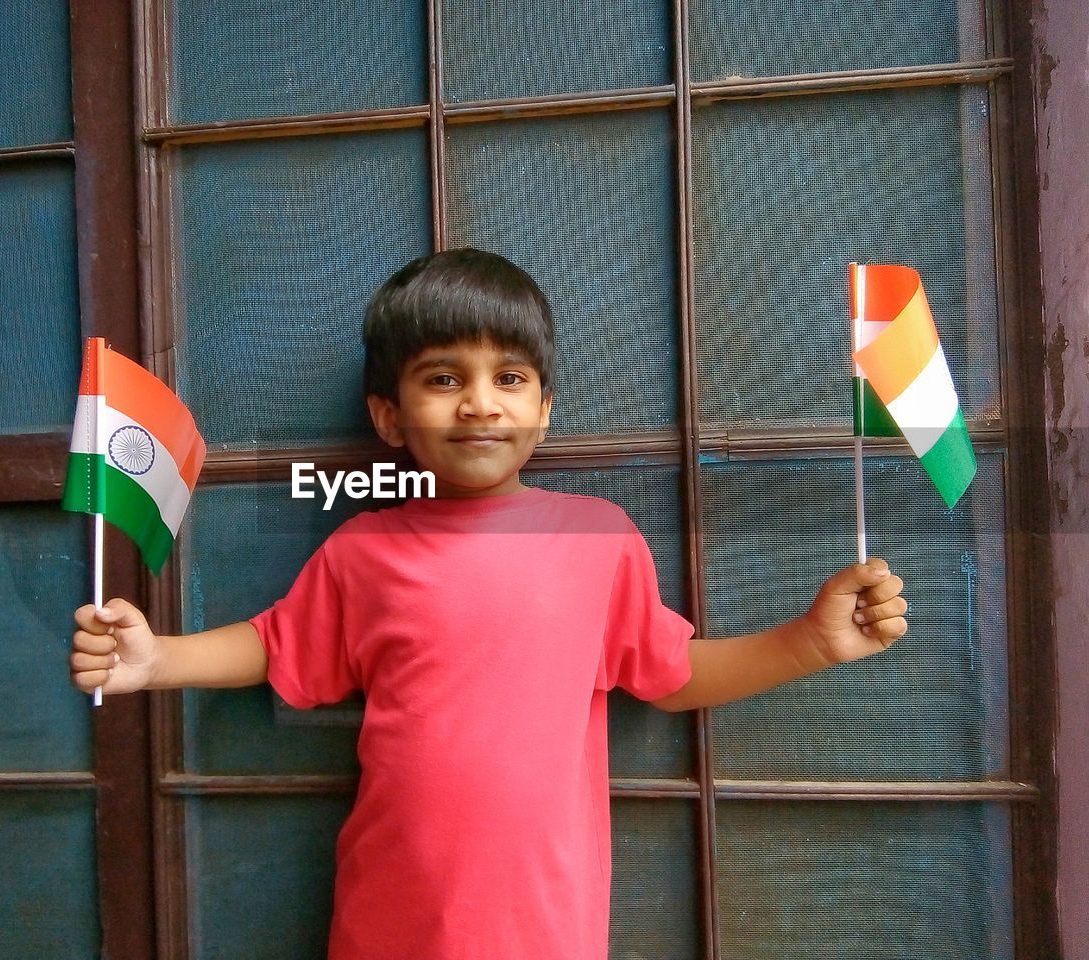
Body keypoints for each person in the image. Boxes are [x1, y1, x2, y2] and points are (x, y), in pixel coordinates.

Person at [70, 248, 908, 960]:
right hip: (390, 911)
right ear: (388, 416)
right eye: (444, 378)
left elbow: (672, 673)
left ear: (543, 408)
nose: (480, 401)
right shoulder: (363, 548)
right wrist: (159, 658)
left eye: (509, 377)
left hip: (544, 921)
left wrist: (810, 642)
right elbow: (275, 644)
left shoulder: (598, 536)